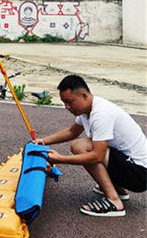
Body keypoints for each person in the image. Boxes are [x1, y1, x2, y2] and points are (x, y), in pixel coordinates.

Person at [37, 74, 147, 217]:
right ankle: (117, 189)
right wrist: (43, 141)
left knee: (81, 147)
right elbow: (71, 131)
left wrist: (60, 159)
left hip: (139, 175)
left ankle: (114, 202)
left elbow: (97, 156)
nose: (67, 107)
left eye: (69, 102)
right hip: (131, 167)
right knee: (83, 144)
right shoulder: (87, 110)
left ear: (84, 95)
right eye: (64, 102)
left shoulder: (101, 114)